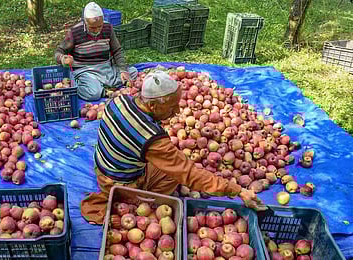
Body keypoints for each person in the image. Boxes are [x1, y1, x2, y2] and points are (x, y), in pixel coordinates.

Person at [81, 70, 266, 224]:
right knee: (175, 176)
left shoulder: (118, 101)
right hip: (117, 182)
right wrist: (237, 190)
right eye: (171, 107)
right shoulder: (152, 139)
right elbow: (188, 173)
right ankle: (135, 204)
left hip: (102, 166)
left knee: (173, 166)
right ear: (152, 104)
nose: (177, 112)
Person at [54, 2, 138, 101]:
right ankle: (102, 90)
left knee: (133, 72)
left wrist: (123, 70)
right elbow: (59, 51)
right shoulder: (75, 32)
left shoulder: (108, 28)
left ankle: (102, 86)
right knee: (94, 93)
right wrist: (63, 59)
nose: (96, 30)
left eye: (99, 26)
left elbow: (117, 51)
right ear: (85, 22)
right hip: (85, 70)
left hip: (106, 69)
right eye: (92, 27)